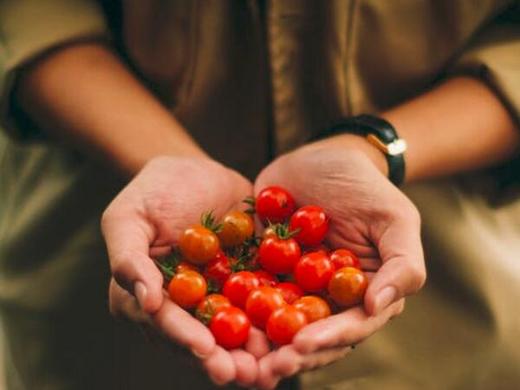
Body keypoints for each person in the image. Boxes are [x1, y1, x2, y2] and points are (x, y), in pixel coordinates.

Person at [1, 1, 519, 389]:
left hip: (453, 317)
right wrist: (164, 158)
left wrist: (374, 151)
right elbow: (32, 14)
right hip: (90, 316)